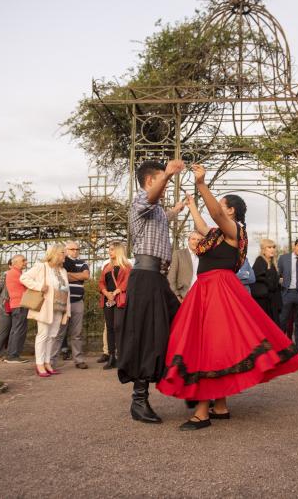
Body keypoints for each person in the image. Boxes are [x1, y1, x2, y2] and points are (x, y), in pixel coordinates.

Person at [157, 165, 298, 430]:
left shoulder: (234, 229)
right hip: (208, 288)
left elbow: (213, 213)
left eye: (222, 205)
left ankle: (202, 413)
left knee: (206, 345)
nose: (218, 208)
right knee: (214, 345)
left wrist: (202, 185)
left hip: (217, 289)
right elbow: (203, 224)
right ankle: (221, 406)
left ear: (231, 211)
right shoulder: (218, 234)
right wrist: (192, 204)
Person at [117, 159, 187, 424]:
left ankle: (187, 382)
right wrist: (167, 175)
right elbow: (152, 199)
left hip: (158, 278)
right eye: (161, 180)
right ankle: (139, 400)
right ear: (150, 181)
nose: (166, 187)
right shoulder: (139, 203)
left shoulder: (156, 211)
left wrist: (178, 209)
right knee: (147, 335)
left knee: (181, 322)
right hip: (145, 277)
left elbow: (162, 216)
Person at [20, 244, 70, 377]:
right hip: (45, 307)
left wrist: (67, 310)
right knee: (43, 335)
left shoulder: (63, 271)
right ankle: (40, 364)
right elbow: (24, 278)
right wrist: (39, 286)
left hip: (59, 307)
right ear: (54, 254)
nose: (65, 255)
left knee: (52, 335)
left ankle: (47, 362)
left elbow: (65, 290)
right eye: (62, 252)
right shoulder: (41, 267)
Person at [50, 241, 89, 369]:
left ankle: (78, 360)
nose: (75, 251)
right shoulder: (60, 262)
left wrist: (69, 275)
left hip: (78, 302)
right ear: (66, 250)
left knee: (77, 333)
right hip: (63, 302)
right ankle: (51, 361)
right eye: (72, 249)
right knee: (59, 332)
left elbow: (86, 275)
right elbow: (62, 276)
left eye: (77, 249)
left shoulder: (83, 262)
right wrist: (78, 276)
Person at [0, 255, 30, 363]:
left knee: (12, 330)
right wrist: (4, 299)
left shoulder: (20, 274)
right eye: (23, 261)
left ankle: (7, 354)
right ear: (11, 265)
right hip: (4, 306)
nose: (26, 262)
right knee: (4, 330)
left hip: (12, 305)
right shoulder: (7, 274)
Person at [99, 241, 131, 369]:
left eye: (112, 249)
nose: (109, 251)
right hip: (108, 299)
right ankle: (112, 356)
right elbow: (101, 282)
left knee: (119, 326)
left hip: (120, 299)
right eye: (109, 249)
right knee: (110, 327)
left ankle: (122, 356)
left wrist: (116, 292)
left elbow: (127, 282)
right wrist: (106, 293)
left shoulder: (127, 266)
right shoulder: (106, 266)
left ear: (118, 250)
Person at [278, 238, 298, 348]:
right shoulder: (283, 258)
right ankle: (281, 347)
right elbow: (279, 274)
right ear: (294, 246)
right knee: (283, 322)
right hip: (287, 293)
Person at [3, 254, 29, 363]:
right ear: (15, 263)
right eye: (23, 260)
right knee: (19, 330)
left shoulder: (13, 273)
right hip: (20, 305)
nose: (25, 262)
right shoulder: (16, 274)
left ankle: (11, 354)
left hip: (17, 305)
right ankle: (13, 355)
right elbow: (29, 284)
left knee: (15, 330)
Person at [251, 239, 282, 325]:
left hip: (272, 302)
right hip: (263, 302)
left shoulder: (272, 263)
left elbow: (273, 282)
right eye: (269, 247)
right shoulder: (260, 261)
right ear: (263, 250)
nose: (272, 249)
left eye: (273, 247)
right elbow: (259, 277)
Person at [168, 230, 203, 301]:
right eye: (193, 239)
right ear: (188, 240)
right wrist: (177, 296)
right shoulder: (178, 254)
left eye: (198, 240)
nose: (196, 241)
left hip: (200, 297)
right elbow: (171, 278)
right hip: (183, 296)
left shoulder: (204, 257)